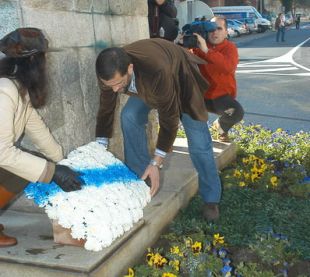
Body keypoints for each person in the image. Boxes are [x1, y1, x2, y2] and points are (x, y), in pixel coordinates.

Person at [95, 38, 222, 221]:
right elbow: (106, 108)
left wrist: (157, 162)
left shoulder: (156, 70)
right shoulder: (109, 72)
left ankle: (211, 199)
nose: (115, 90)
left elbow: (169, 119)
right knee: (129, 116)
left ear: (129, 68)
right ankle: (142, 181)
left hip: (181, 81)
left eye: (118, 83)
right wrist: (100, 145)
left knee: (199, 144)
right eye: (110, 85)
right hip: (149, 83)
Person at [0, 28, 84, 247]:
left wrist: (61, 162)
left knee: (35, 164)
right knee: (20, 170)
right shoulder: (4, 90)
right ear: (35, 60)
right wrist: (54, 172)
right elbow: (2, 153)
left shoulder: (16, 87)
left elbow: (36, 127)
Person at [192, 16, 244, 142]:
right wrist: (180, 42)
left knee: (237, 112)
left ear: (226, 32)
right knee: (177, 106)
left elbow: (228, 67)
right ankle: (169, 138)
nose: (214, 32)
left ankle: (221, 127)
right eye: (211, 29)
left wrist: (206, 51)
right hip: (201, 96)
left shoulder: (230, 48)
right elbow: (182, 58)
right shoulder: (199, 46)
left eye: (219, 29)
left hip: (220, 97)